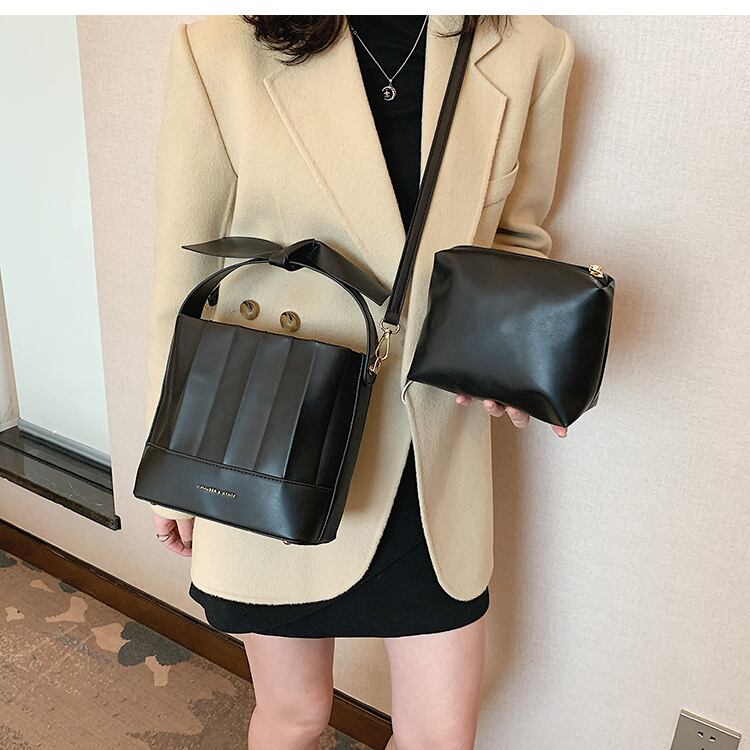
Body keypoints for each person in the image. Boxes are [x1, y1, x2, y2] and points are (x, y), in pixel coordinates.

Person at [144, 14, 575, 750]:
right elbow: (185, 266)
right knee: (296, 715)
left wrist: (508, 356)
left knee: (441, 737)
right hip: (272, 429)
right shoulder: (220, 45)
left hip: (429, 452)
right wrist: (173, 456)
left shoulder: (531, 48)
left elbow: (515, 239)